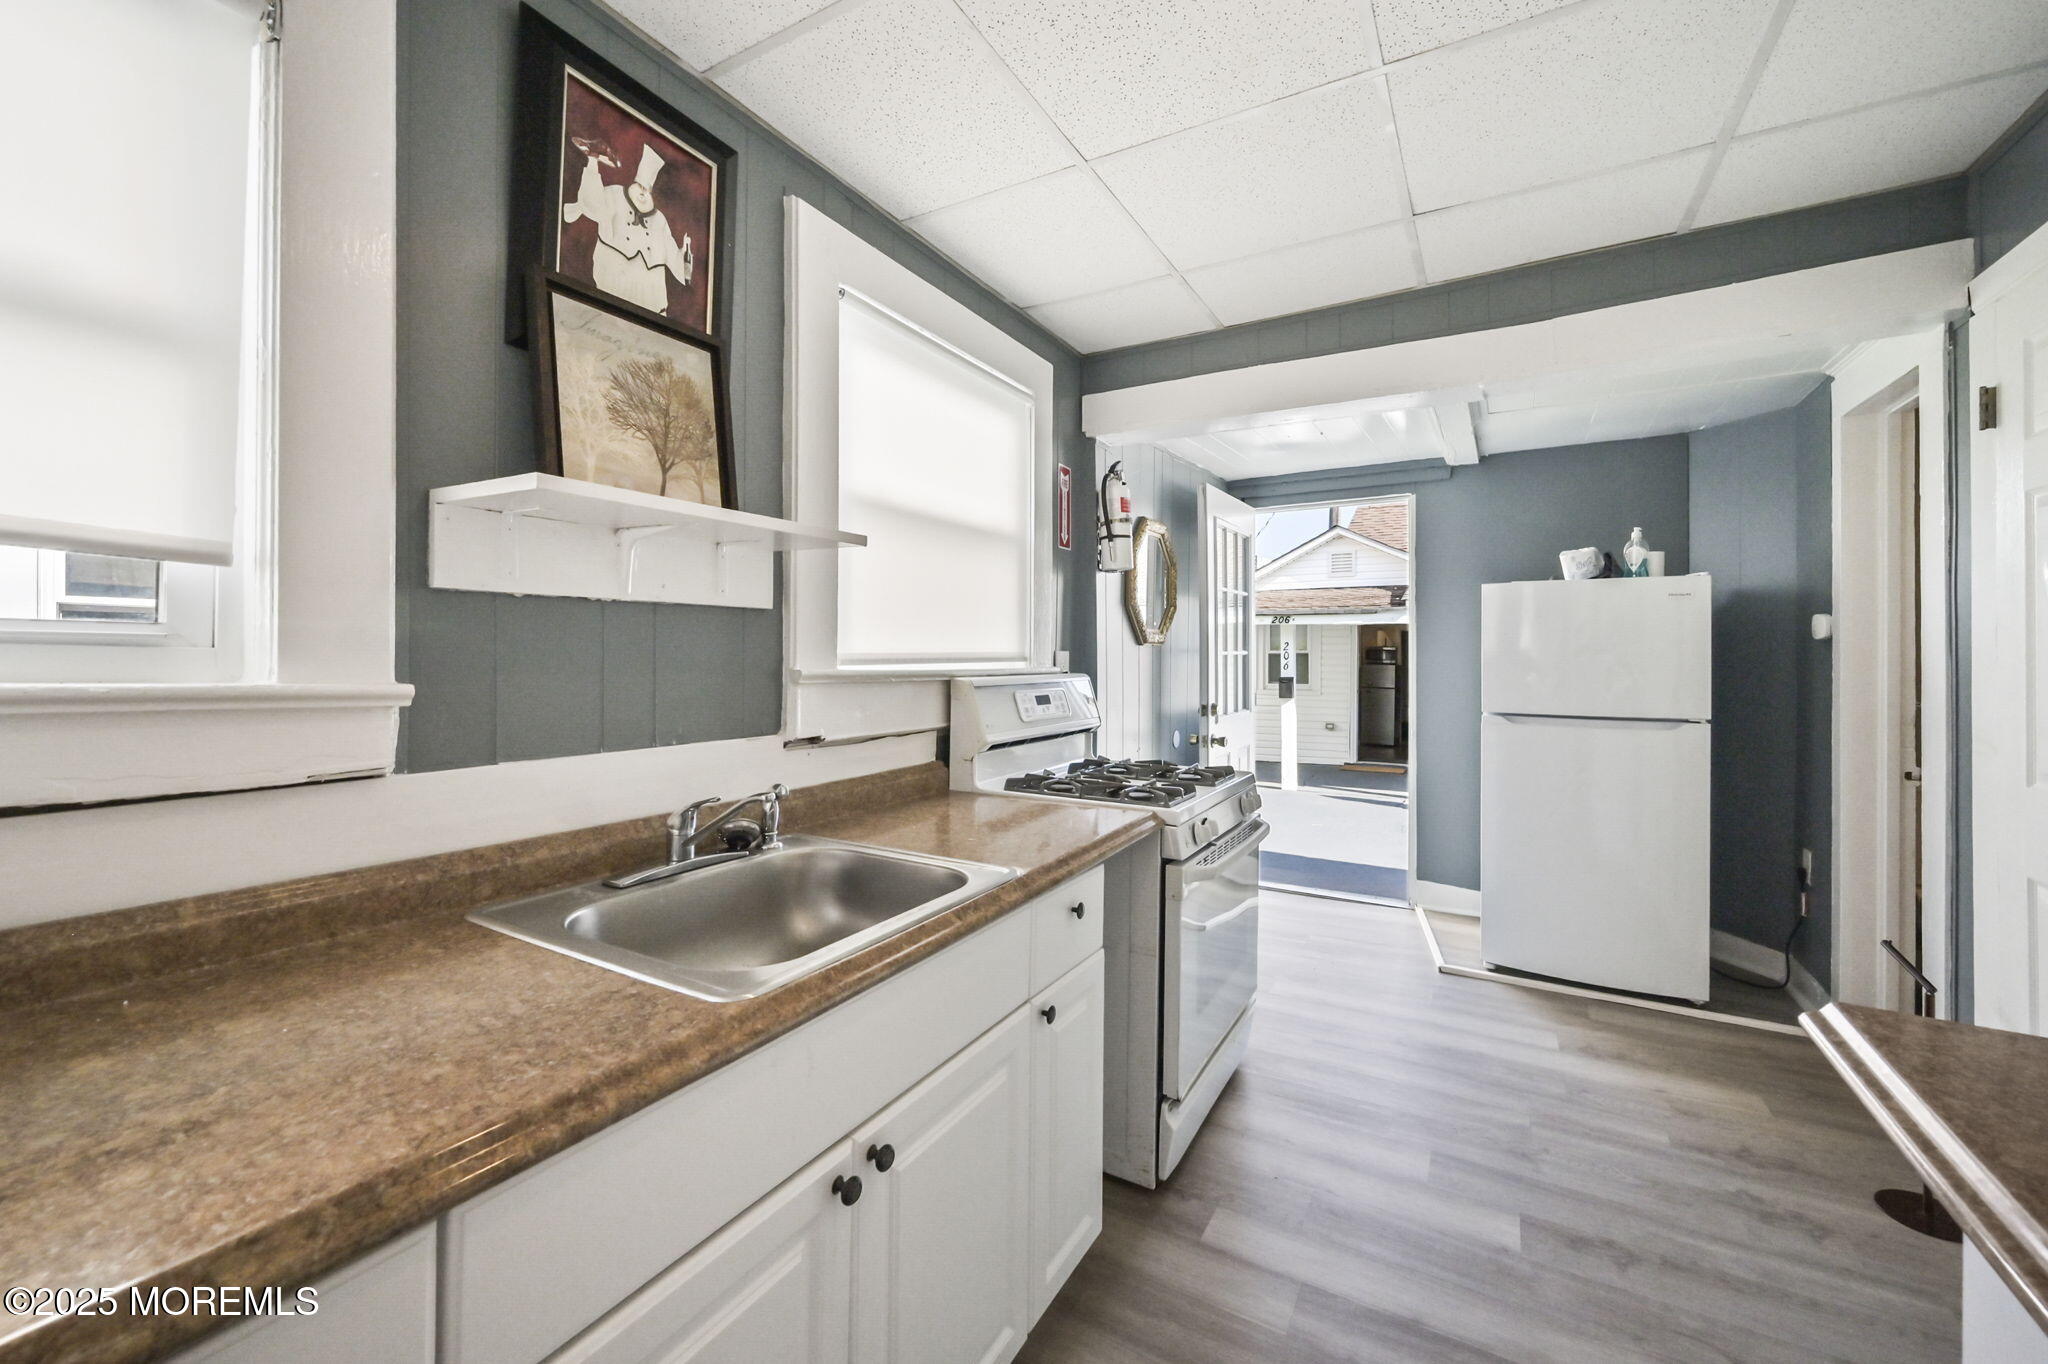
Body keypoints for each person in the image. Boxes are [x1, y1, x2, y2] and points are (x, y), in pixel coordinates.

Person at [563, 142, 693, 316]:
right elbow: (591, 202)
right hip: (612, 289)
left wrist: (684, 252)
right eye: (640, 187)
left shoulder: (659, 220)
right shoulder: (615, 196)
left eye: (646, 190)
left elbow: (671, 254)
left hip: (651, 304)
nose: (642, 193)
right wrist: (593, 163)